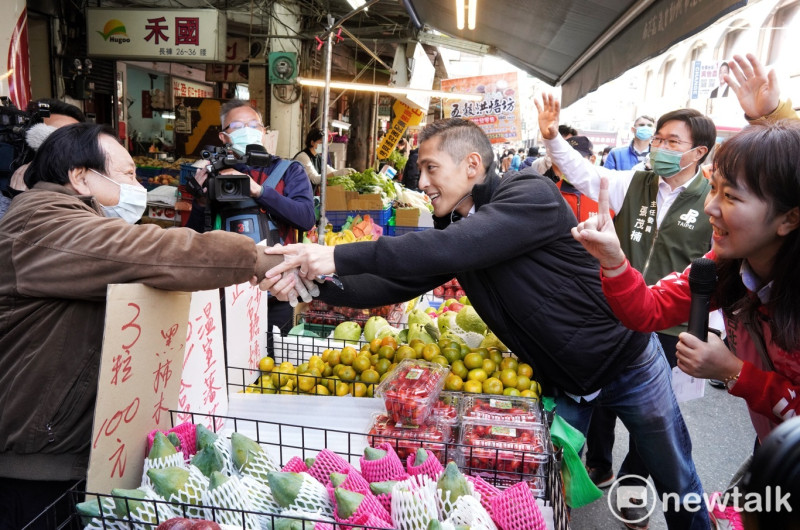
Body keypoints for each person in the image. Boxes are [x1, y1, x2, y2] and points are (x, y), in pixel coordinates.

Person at [263, 118, 710, 529]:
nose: (422, 183)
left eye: (431, 168)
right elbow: (395, 282)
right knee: (545, 492)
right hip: (562, 381)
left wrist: (337, 254)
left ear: (472, 164)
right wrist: (317, 285)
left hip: (626, 362)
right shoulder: (459, 226)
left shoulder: (528, 194)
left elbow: (446, 251)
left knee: (674, 475)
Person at [0, 123, 303, 528]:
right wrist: (262, 260)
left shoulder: (64, 220)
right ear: (79, 177)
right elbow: (151, 251)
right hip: (37, 468)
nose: (135, 185)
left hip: (67, 453)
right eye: (126, 174)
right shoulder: (44, 227)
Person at [570, 118, 800, 488]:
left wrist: (735, 372)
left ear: (790, 218)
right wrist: (614, 262)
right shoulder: (721, 267)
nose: (711, 208)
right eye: (714, 189)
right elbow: (646, 310)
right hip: (774, 446)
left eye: (731, 197)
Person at [538, 94, 716, 527]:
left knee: (655, 420)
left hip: (674, 324)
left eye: (671, 141)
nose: (658, 147)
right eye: (656, 138)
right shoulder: (638, 181)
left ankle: (633, 487)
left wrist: (713, 334)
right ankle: (601, 464)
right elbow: (587, 174)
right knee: (603, 402)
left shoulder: (713, 201)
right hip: (619, 310)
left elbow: (720, 274)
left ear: (698, 153)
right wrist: (552, 139)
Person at [187, 99, 315, 352]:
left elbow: (306, 217)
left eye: (253, 124)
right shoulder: (215, 174)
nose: (247, 129)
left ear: (264, 131)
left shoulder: (290, 170)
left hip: (278, 290)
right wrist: (201, 199)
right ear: (224, 137)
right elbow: (194, 237)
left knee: (274, 362)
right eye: (236, 126)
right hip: (226, 292)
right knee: (230, 362)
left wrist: (259, 191)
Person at [293, 128, 354, 194]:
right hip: (298, 193)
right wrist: (338, 173)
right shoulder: (303, 157)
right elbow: (314, 179)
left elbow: (329, 170)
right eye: (321, 143)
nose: (323, 146)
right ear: (312, 143)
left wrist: (345, 172)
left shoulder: (318, 157)